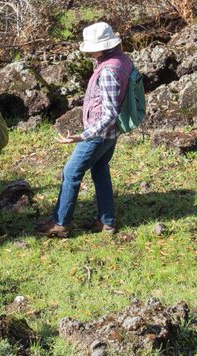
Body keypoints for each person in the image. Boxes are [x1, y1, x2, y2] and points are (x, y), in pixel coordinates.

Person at [36, 22, 136, 238]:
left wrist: (83, 136)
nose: (87, 51)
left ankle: (61, 223)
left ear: (102, 46)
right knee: (100, 169)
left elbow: (110, 113)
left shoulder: (109, 70)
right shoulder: (122, 60)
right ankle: (106, 221)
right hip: (111, 133)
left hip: (99, 133)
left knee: (71, 172)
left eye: (91, 46)